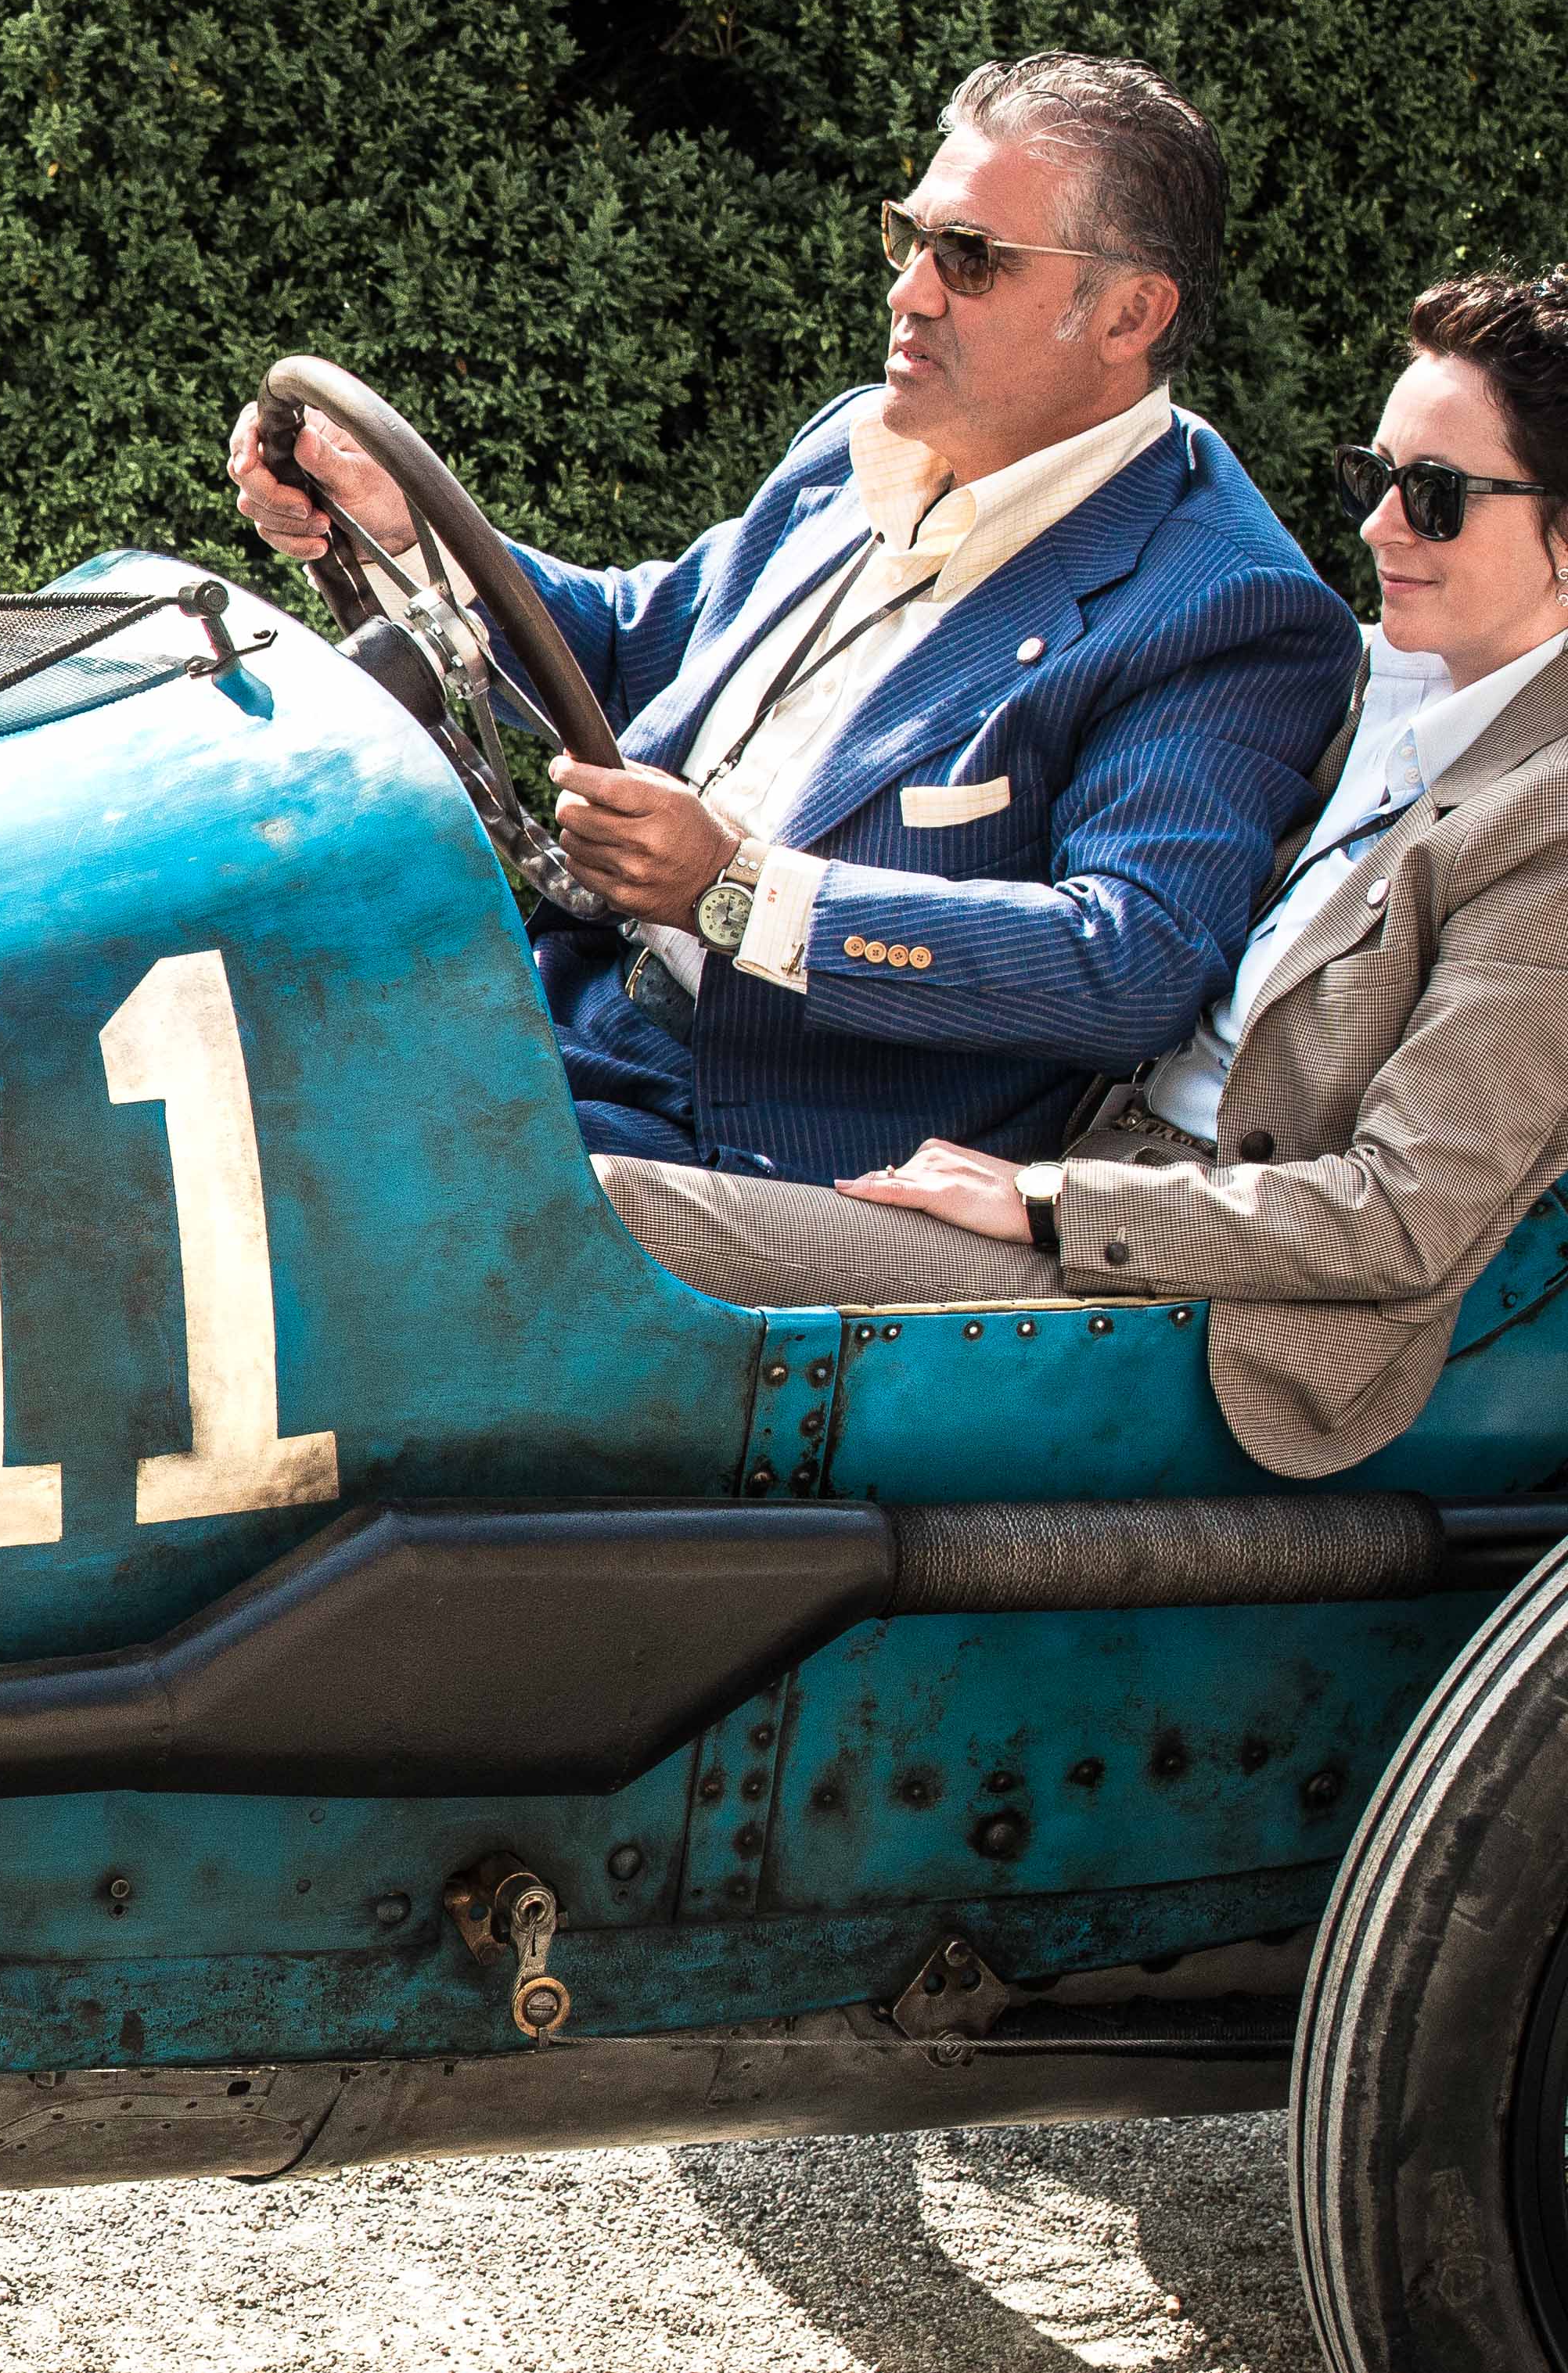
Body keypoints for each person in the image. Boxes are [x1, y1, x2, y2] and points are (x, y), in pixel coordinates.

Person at [228, 54, 1357, 1184]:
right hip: (564, 1008)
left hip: (764, 1145)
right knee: (199, 1033)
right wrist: (400, 528)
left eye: (970, 257)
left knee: (291, 1165)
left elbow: (1130, 961)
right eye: (908, 238)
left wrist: (739, 893)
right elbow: (635, 649)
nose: (910, 292)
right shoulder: (860, 441)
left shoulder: (1226, 602)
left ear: (1130, 314)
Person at [593, 272, 1568, 1475]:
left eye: (1436, 497)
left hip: (1215, 1305)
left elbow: (1400, 1219)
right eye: (1373, 478)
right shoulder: (1370, 683)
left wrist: (1052, 1202)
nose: (1377, 528)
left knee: (604, 1214)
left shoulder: (1547, 814)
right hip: (1062, 1162)